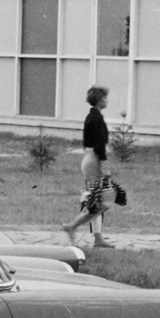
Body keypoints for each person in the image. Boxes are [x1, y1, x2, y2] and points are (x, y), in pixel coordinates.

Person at [64, 85, 115, 249]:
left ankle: (98, 238)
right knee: (103, 201)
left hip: (88, 158)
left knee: (98, 198)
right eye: (105, 98)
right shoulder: (98, 119)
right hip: (94, 161)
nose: (107, 100)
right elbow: (100, 146)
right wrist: (104, 167)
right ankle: (72, 226)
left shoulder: (90, 117)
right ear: (99, 100)